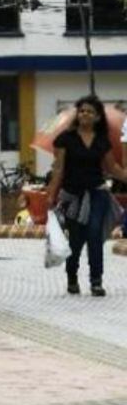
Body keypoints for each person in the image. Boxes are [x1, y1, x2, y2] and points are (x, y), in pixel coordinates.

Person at [46, 94, 127, 297]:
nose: (85, 114)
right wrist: (50, 196)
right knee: (75, 240)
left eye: (89, 111)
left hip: (97, 193)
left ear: (97, 117)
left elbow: (113, 168)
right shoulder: (65, 139)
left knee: (94, 234)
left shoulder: (102, 141)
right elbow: (58, 170)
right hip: (73, 195)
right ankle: (72, 276)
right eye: (81, 110)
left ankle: (96, 281)